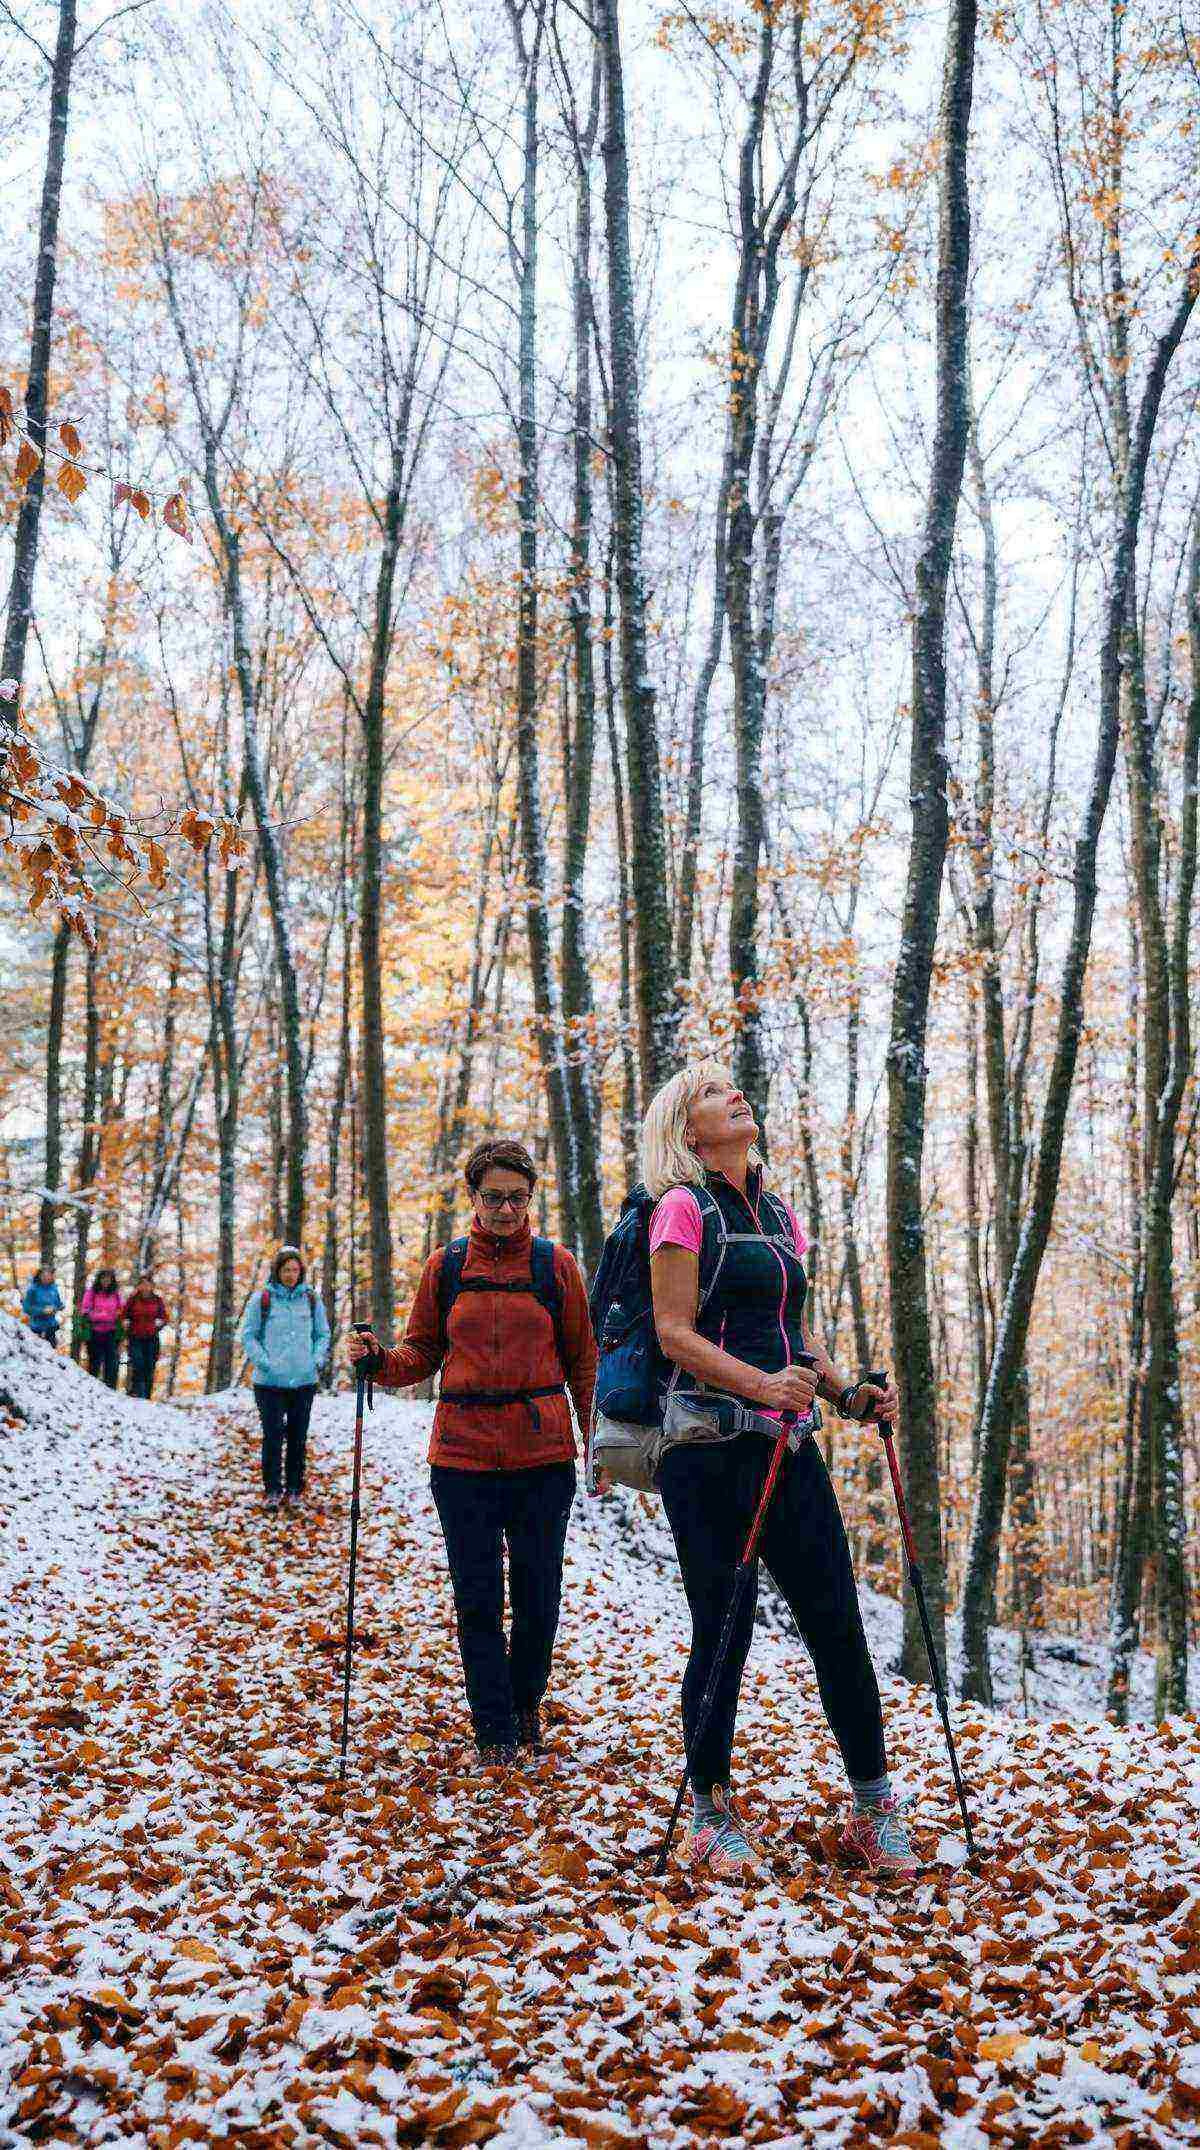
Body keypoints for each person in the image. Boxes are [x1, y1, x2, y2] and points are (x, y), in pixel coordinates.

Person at [640, 1060, 914, 1882]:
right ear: (690, 1132)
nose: (735, 1095)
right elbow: (673, 1334)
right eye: (713, 1095)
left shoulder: (780, 1213)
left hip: (788, 1447)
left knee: (838, 1622)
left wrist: (850, 1393)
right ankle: (712, 1817)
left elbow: (799, 1335)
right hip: (707, 1450)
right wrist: (762, 1384)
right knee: (725, 1628)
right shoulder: (680, 1211)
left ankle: (873, 1810)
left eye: (734, 1088)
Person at [349, 1136, 597, 1765]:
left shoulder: (555, 1266)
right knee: (477, 1595)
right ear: (473, 1197)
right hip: (460, 1458)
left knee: (539, 1591)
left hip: (543, 1457)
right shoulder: (448, 1266)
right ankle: (494, 1730)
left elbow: (584, 1364)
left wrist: (598, 1443)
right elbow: (422, 1352)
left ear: (531, 1198)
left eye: (516, 1198)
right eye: (493, 1198)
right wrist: (379, 1362)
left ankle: (523, 1704)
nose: (505, 1210)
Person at [242, 1246, 330, 1510]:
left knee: (298, 1436)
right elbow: (249, 1335)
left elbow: (323, 1334)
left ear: (301, 1272)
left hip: (304, 1381)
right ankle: (272, 1489)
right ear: (277, 1271)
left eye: (295, 1270)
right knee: (272, 1436)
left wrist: (315, 1360)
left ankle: (294, 1489)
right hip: (269, 1383)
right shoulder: (263, 1299)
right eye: (286, 1270)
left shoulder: (311, 1299)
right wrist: (264, 1363)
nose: (291, 1275)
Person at [122, 1275, 170, 1399]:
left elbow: (164, 1317)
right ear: (138, 1286)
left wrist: (160, 1323)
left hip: (151, 1337)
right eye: (142, 1284)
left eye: (148, 1284)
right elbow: (124, 1314)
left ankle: (146, 1395)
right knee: (138, 1363)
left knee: (149, 1365)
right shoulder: (133, 1300)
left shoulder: (157, 1300)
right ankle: (135, 1391)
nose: (145, 1287)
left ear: (152, 1286)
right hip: (135, 1336)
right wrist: (126, 1322)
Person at [81, 1268, 124, 1388]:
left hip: (111, 1332)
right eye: (103, 1278)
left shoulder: (115, 1294)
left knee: (111, 1361)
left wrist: (114, 1315)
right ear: (99, 1279)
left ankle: (110, 1387)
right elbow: (85, 1310)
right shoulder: (91, 1293)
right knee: (95, 1361)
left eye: (109, 1279)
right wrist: (100, 1315)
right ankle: (91, 1386)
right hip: (95, 1332)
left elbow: (121, 1310)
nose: (106, 1281)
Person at [23, 1265, 63, 1345]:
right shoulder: (33, 1289)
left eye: (49, 1275)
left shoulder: (54, 1288)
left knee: (52, 1352)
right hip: (36, 1327)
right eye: (44, 1275)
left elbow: (58, 1303)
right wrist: (42, 1311)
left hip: (51, 1327)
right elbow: (26, 1308)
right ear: (39, 1275)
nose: (47, 1277)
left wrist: (58, 1307)